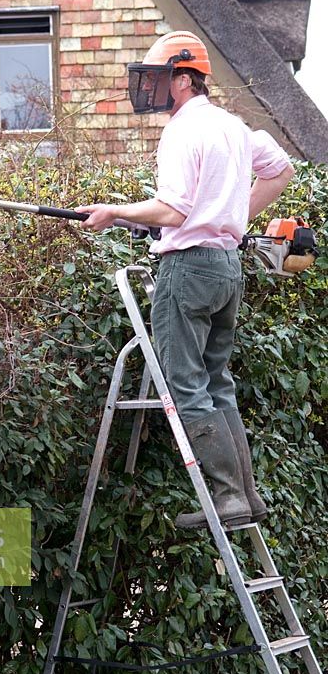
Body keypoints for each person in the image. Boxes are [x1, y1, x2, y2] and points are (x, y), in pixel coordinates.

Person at [75, 31, 295, 529]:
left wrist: (113, 211)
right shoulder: (235, 127)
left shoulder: (180, 132)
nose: (147, 89)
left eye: (155, 79)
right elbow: (280, 170)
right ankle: (246, 496)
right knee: (218, 382)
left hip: (188, 269)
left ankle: (226, 497)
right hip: (226, 267)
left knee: (187, 384)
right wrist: (232, 216)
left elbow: (173, 211)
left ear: (182, 79)